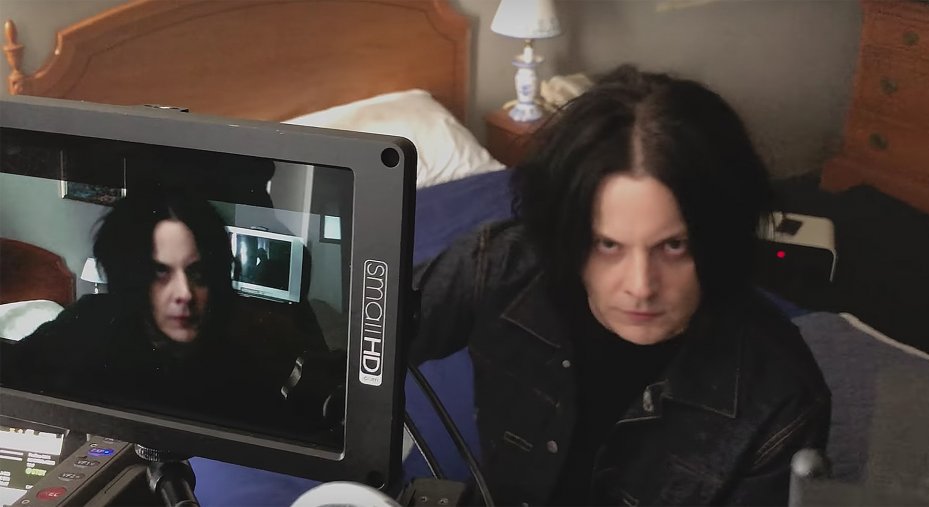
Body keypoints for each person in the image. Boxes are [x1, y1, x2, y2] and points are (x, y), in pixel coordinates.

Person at [412, 65, 831, 506]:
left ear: (723, 238)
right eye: (608, 245)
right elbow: (370, 326)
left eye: (674, 246)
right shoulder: (502, 264)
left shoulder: (782, 399)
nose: (641, 287)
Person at [0, 187, 342, 438]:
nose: (184, 294)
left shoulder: (246, 352)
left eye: (197, 273)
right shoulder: (89, 322)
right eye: (161, 273)